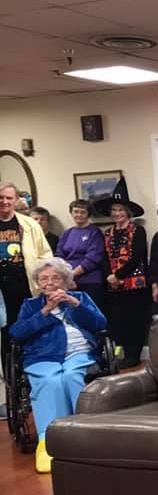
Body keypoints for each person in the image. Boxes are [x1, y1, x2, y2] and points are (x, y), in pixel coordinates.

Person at [10, 257, 107, 473]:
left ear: (66, 280)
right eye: (44, 279)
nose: (50, 282)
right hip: (42, 355)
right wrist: (44, 312)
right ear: (38, 283)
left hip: (78, 353)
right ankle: (49, 439)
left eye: (56, 277)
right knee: (50, 380)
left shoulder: (80, 297)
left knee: (72, 376)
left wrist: (76, 305)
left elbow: (100, 324)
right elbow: (17, 333)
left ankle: (83, 433)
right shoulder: (31, 305)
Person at [93, 177, 150, 370]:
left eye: (120, 210)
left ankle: (134, 354)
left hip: (135, 284)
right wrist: (110, 276)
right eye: (114, 210)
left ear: (127, 212)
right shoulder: (107, 233)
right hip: (114, 286)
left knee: (134, 319)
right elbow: (104, 257)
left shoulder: (138, 231)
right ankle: (121, 352)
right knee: (118, 321)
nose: (117, 213)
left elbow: (137, 256)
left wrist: (119, 275)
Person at [0, 182, 53, 371]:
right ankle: (9, 378)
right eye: (1, 197)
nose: (4, 202)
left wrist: (46, 281)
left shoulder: (29, 224)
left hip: (25, 285)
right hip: (1, 291)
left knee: (28, 329)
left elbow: (45, 255)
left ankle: (30, 374)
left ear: (16, 200)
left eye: (9, 198)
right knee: (5, 334)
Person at [55, 199, 107, 313]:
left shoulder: (94, 232)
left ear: (88, 214)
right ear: (71, 213)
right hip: (68, 282)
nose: (79, 215)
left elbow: (94, 257)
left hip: (90, 281)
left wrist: (71, 275)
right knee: (73, 315)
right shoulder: (67, 233)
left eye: (82, 212)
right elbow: (59, 255)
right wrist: (66, 277)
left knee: (90, 314)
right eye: (76, 211)